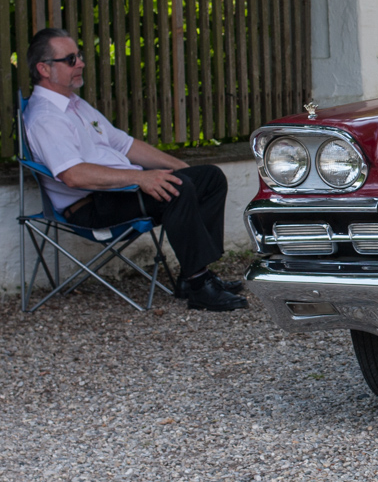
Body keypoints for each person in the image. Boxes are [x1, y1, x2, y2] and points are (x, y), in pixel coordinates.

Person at [22, 28, 247, 311]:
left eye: (79, 55)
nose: (80, 62)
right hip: (91, 205)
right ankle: (200, 285)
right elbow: (73, 175)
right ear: (44, 68)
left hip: (120, 191)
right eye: (70, 59)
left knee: (209, 177)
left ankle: (193, 275)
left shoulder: (74, 104)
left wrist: (182, 168)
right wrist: (140, 178)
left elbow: (125, 144)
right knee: (178, 189)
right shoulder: (46, 116)